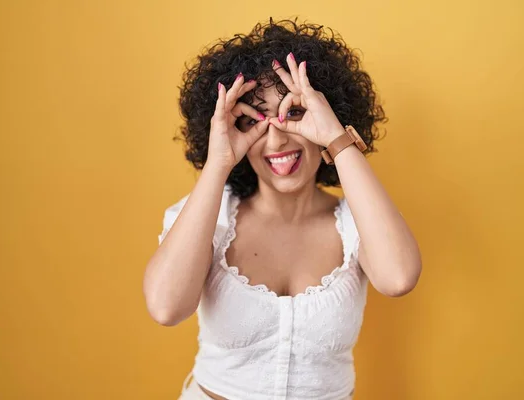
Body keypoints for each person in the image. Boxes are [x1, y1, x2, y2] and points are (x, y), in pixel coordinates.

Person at [143, 18, 422, 400]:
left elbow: (399, 277)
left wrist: (337, 140)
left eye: (292, 113)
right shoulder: (211, 216)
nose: (275, 139)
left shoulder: (357, 222)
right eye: (251, 120)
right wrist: (218, 162)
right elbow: (165, 307)